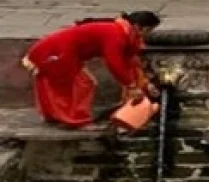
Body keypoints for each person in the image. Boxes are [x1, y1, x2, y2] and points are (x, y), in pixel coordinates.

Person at [21, 11, 161, 127]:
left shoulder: (126, 34)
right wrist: (131, 86)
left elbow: (131, 62)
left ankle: (54, 117)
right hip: (57, 52)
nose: (148, 34)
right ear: (138, 27)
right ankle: (77, 122)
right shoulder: (116, 34)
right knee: (81, 85)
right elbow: (115, 63)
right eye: (148, 30)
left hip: (61, 51)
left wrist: (145, 84)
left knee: (56, 84)